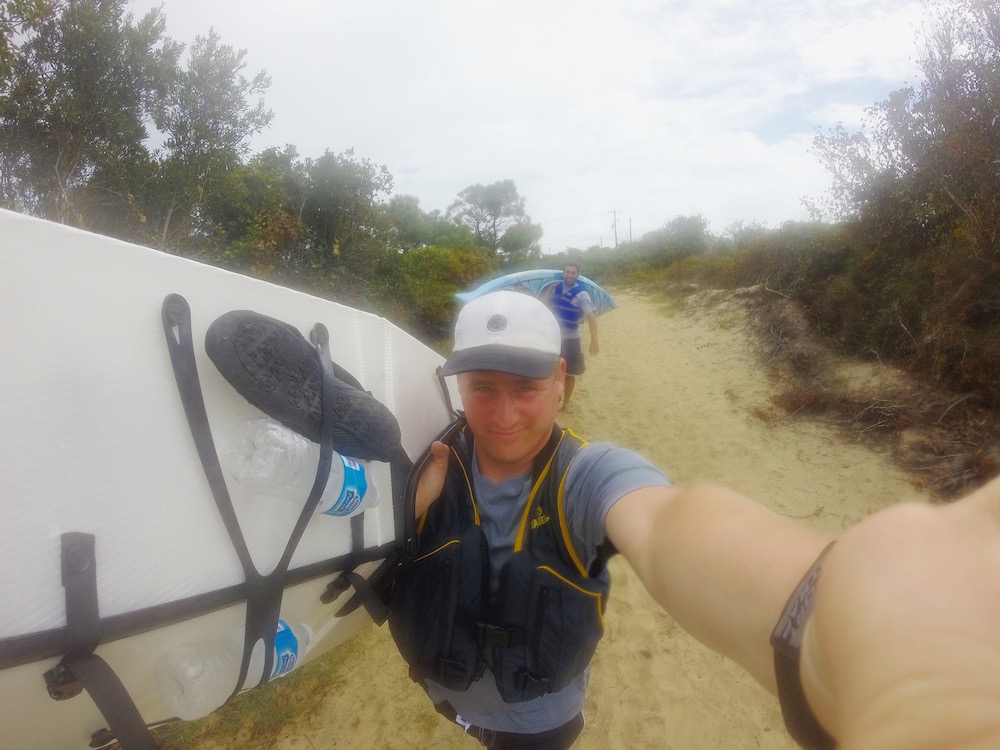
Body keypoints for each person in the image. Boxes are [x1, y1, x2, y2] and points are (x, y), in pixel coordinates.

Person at [388, 290, 1000, 750]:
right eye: (481, 388)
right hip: (442, 692)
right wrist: (404, 512)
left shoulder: (588, 475)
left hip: (536, 723)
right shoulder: (424, 463)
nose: (500, 415)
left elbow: (666, 525)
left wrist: (824, 629)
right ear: (457, 388)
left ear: (560, 383)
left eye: (523, 387)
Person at [543, 262, 599, 412]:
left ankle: (566, 402)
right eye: (567, 272)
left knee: (570, 373)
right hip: (553, 337)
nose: (570, 275)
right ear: (563, 273)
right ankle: (555, 398)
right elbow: (542, 305)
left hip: (572, 340)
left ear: (577, 275)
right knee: (552, 371)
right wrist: (547, 293)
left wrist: (594, 341)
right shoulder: (554, 287)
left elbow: (591, 318)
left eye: (573, 272)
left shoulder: (582, 294)